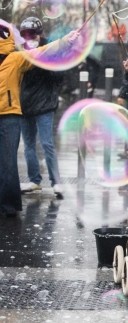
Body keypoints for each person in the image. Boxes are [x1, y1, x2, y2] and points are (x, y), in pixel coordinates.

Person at [0, 21, 80, 217]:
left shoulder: (15, 59)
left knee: (9, 162)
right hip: (15, 113)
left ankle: (9, 206)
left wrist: (64, 42)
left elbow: (42, 52)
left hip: (10, 115)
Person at [18, 18, 64, 199]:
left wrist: (43, 62)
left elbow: (59, 77)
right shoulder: (20, 52)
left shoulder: (50, 50)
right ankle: (34, 181)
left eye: (33, 34)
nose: (30, 37)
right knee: (28, 145)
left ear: (40, 34)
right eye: (26, 35)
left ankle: (57, 182)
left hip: (45, 104)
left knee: (47, 144)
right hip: (25, 104)